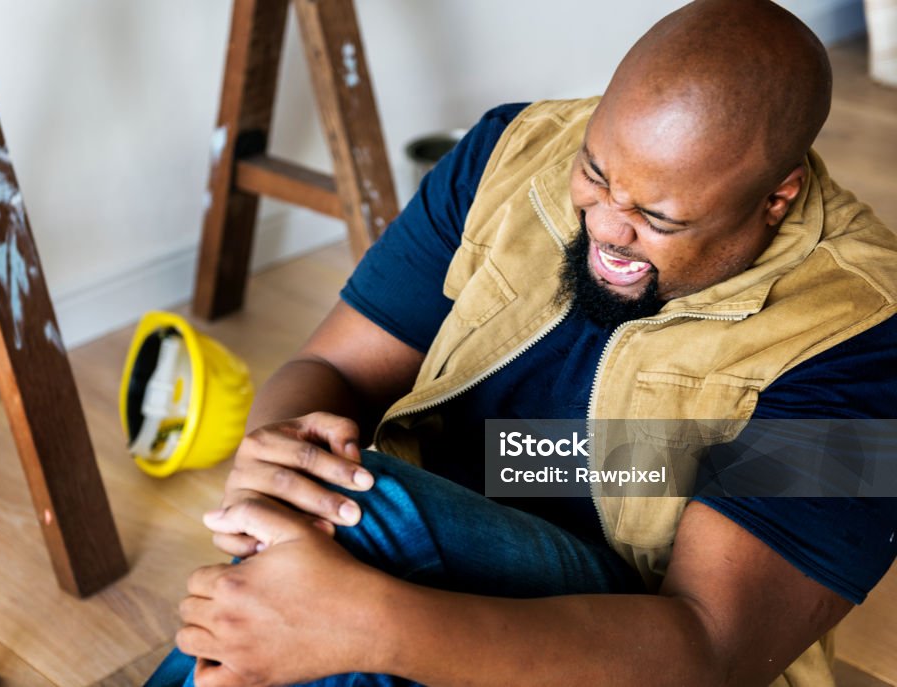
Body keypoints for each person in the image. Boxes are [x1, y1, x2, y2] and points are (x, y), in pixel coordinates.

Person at [148, 0, 897, 685]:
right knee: (319, 540)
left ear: (777, 197)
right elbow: (331, 365)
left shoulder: (858, 338)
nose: (606, 224)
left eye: (658, 218)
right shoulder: (512, 150)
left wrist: (370, 622)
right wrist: (280, 458)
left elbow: (708, 650)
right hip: (437, 538)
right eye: (595, 173)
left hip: (631, 642)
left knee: (358, 537)